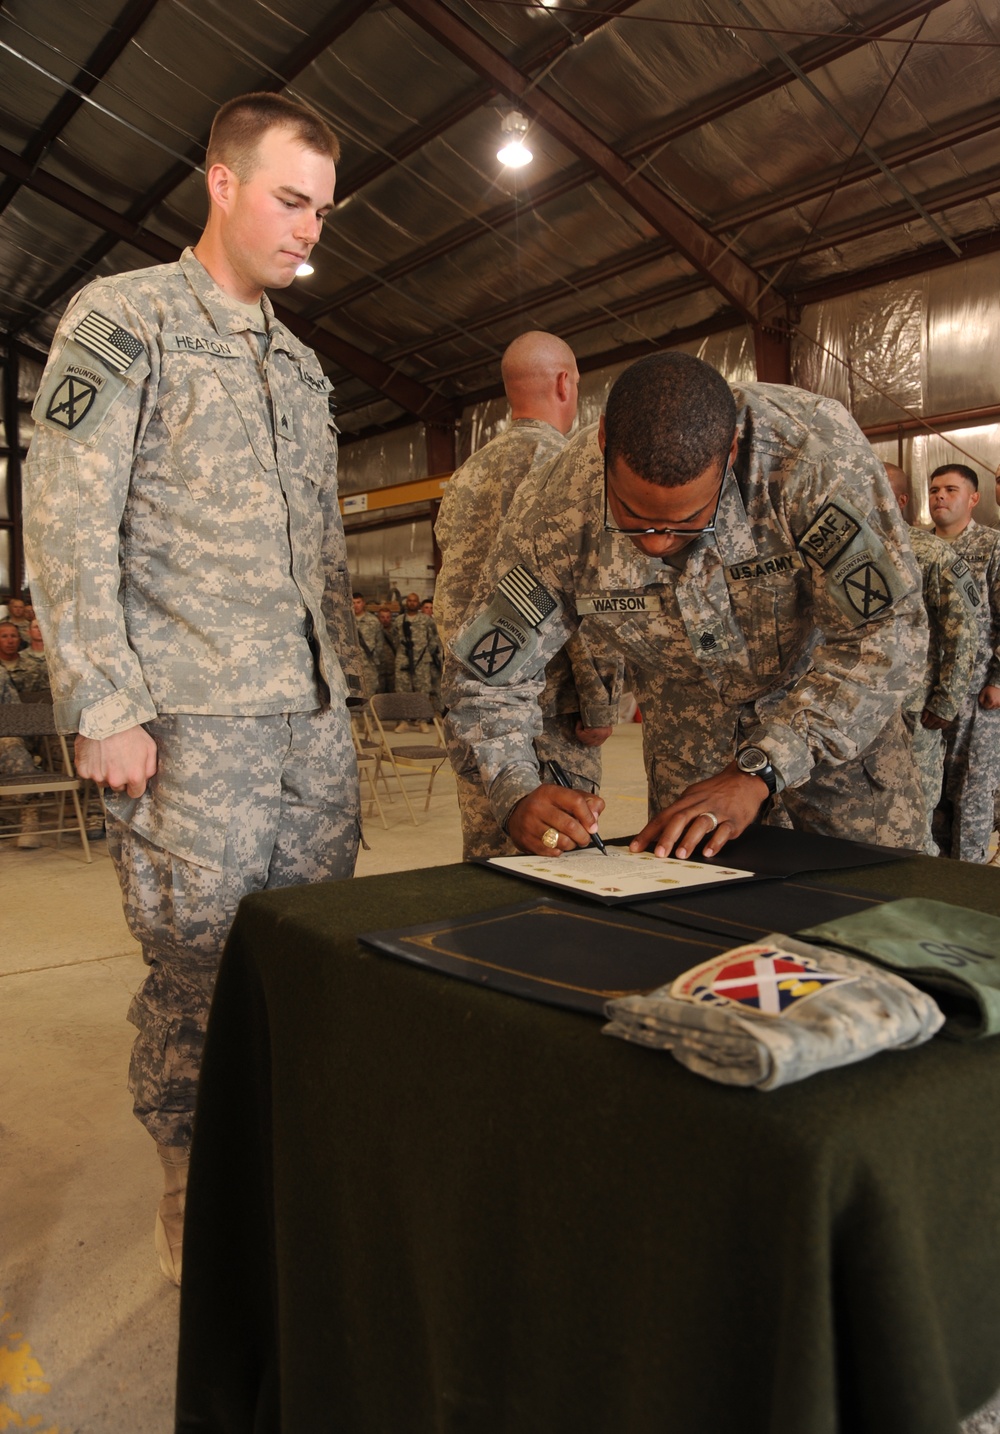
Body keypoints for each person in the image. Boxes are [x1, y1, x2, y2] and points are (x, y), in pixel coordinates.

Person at [22, 92, 362, 1285]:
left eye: (320, 209)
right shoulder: (125, 322)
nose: (307, 229)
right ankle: (191, 1183)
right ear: (218, 182)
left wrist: (346, 697)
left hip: (310, 729)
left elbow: (321, 551)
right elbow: (66, 510)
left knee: (311, 956)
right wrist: (101, 698)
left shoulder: (304, 367)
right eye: (287, 198)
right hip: (193, 726)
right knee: (198, 964)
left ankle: (285, 1165)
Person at [446, 353, 929, 859]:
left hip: (835, 729)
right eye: (633, 516)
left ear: (731, 453)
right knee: (703, 927)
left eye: (687, 520)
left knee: (877, 908)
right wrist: (515, 788)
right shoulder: (555, 511)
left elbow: (888, 634)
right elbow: (486, 675)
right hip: (690, 744)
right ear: (604, 442)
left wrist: (764, 765)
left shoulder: (810, 460)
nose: (656, 544)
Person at [435, 330, 622, 858]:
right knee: (561, 854)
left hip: (475, 704)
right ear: (566, 383)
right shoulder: (570, 467)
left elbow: (452, 598)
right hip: (549, 709)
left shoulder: (466, 477)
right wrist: (599, 700)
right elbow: (586, 596)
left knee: (491, 852)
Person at [883, 463, 978, 847]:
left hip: (912, 708)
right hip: (858, 710)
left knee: (916, 809)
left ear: (902, 500)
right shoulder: (839, 554)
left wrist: (947, 699)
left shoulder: (930, 554)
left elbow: (962, 630)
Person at [927, 463, 1000, 862]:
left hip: (976, 695)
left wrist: (998, 680)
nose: (940, 496)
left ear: (973, 498)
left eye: (951, 490)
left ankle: (968, 874)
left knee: (972, 787)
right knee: (930, 784)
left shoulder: (992, 546)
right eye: (935, 489)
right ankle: (933, 871)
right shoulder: (917, 546)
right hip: (929, 692)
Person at [394, 590, 442, 728]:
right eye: (409, 600)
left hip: (422, 660)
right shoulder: (399, 620)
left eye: (414, 600)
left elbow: (433, 638)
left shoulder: (426, 620)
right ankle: (404, 720)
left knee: (423, 690)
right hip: (403, 659)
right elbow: (395, 638)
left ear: (418, 603)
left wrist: (427, 653)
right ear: (406, 603)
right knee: (402, 690)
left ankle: (422, 720)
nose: (412, 603)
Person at [352, 592, 389, 699]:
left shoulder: (373, 621)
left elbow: (380, 642)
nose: (356, 605)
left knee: (369, 694)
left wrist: (374, 658)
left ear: (363, 603)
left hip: (369, 665)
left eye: (358, 602)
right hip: (350, 666)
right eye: (353, 602)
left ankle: (368, 716)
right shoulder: (346, 620)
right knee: (352, 697)